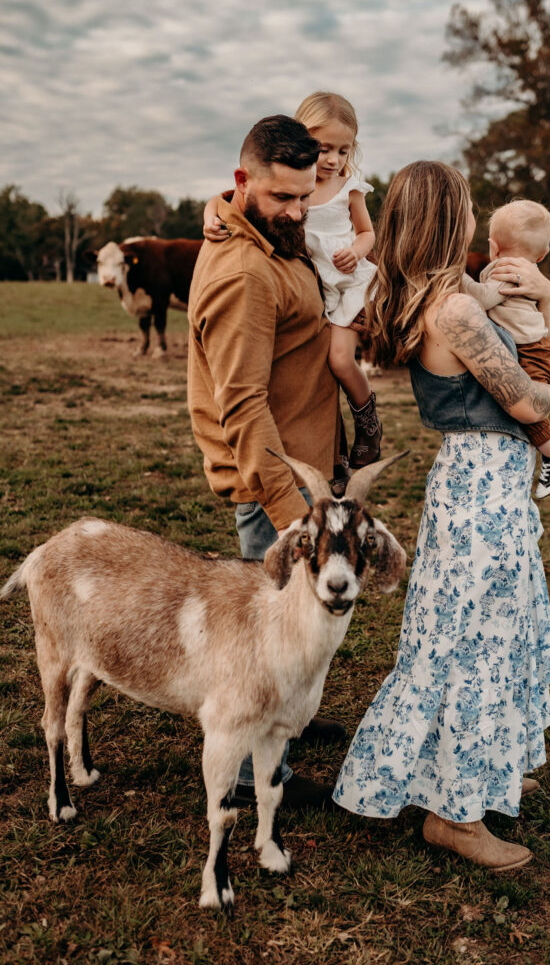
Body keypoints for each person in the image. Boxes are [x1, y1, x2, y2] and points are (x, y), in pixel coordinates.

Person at [333, 162, 550, 871]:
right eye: (465, 210)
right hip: (481, 488)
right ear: (448, 219)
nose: (474, 222)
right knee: (476, 645)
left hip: (474, 480)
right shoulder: (457, 310)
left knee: (468, 633)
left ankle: (470, 776)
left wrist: (539, 302)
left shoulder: (444, 292)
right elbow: (530, 401)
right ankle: (454, 816)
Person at [188, 114, 346, 809]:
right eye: (282, 198)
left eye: (304, 196)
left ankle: (289, 728)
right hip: (273, 492)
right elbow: (242, 408)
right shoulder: (244, 272)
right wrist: (295, 522)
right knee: (267, 645)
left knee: (295, 635)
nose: (296, 210)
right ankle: (261, 782)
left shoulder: (272, 234)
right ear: (240, 182)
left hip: (305, 474)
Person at [205, 91, 381, 469]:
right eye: (322, 148)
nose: (333, 160)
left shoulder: (348, 187)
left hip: (343, 280)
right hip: (311, 284)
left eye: (343, 150)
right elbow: (234, 193)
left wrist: (359, 252)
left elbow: (368, 233)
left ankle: (367, 421)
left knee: (339, 359)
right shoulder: (279, 188)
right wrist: (211, 211)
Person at [462, 200, 550, 498]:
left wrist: (455, 274)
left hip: (532, 351)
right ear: (543, 254)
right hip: (537, 346)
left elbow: (483, 299)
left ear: (493, 246)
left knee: (527, 409)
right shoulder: (530, 269)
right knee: (523, 405)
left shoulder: (506, 269)